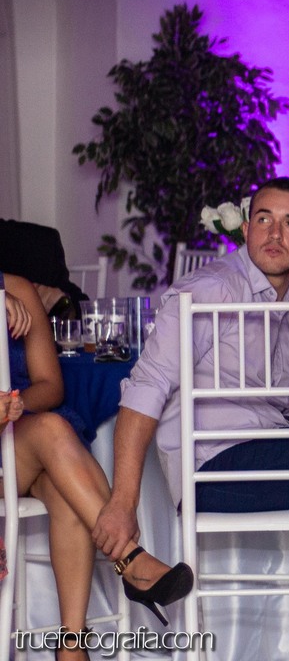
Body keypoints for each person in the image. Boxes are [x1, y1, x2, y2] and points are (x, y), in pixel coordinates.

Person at [90, 177, 289, 626]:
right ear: (245, 228)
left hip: (273, 448)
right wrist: (123, 503)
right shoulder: (208, 291)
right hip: (213, 467)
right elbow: (147, 386)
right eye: (264, 219)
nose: (275, 233)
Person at [3, 272, 192, 659]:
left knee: (65, 489)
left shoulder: (18, 289)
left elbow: (50, 386)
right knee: (54, 433)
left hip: (20, 441)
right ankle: (132, 560)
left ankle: (71, 646)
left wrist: (12, 405)